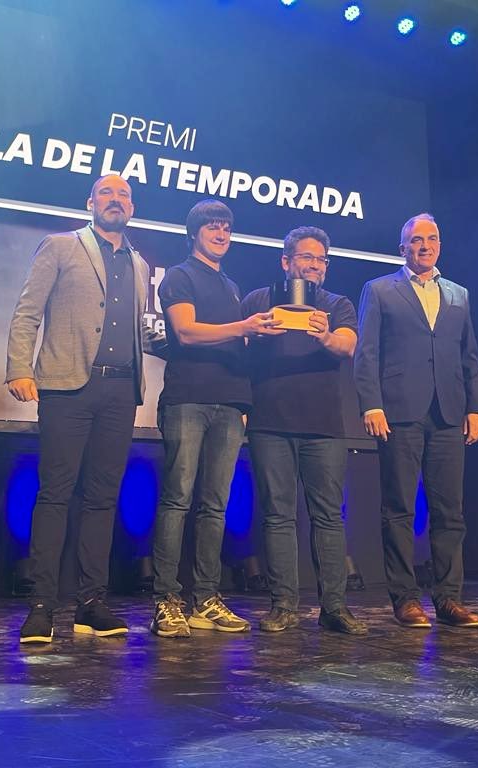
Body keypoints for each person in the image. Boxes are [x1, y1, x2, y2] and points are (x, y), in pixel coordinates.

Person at [6, 174, 156, 644]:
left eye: (124, 195)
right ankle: (41, 607)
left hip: (120, 391)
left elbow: (141, 331)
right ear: (90, 202)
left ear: (132, 208)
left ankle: (92, 603)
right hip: (67, 385)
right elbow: (28, 311)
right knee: (55, 494)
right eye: (107, 193)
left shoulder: (140, 262)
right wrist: (18, 367)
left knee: (103, 499)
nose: (116, 200)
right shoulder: (60, 246)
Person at [149, 200, 283, 638]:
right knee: (177, 500)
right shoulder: (179, 275)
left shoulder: (230, 285)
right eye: (212, 227)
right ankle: (166, 599)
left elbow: (238, 348)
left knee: (215, 505)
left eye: (226, 227)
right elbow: (185, 331)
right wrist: (244, 326)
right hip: (188, 401)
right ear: (194, 233)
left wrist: (244, 405)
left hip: (229, 406)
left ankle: (204, 598)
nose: (221, 234)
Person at [354, 213, 478, 629]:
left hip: (448, 413)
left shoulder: (459, 294)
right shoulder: (379, 290)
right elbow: (366, 353)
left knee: (451, 512)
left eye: (431, 239)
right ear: (403, 249)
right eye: (415, 240)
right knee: (399, 509)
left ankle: (449, 599)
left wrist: (476, 407)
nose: (424, 246)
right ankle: (405, 600)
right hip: (399, 412)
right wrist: (371, 404)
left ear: (440, 246)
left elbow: (470, 358)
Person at [241, 226, 368, 635]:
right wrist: (256, 331)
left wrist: (325, 335)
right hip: (269, 423)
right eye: (305, 258)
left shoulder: (337, 304)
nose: (313, 266)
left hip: (323, 426)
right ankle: (283, 607)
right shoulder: (259, 300)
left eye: (320, 260)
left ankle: (334, 607)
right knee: (278, 516)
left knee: (328, 516)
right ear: (286, 261)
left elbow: (348, 345)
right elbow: (238, 351)